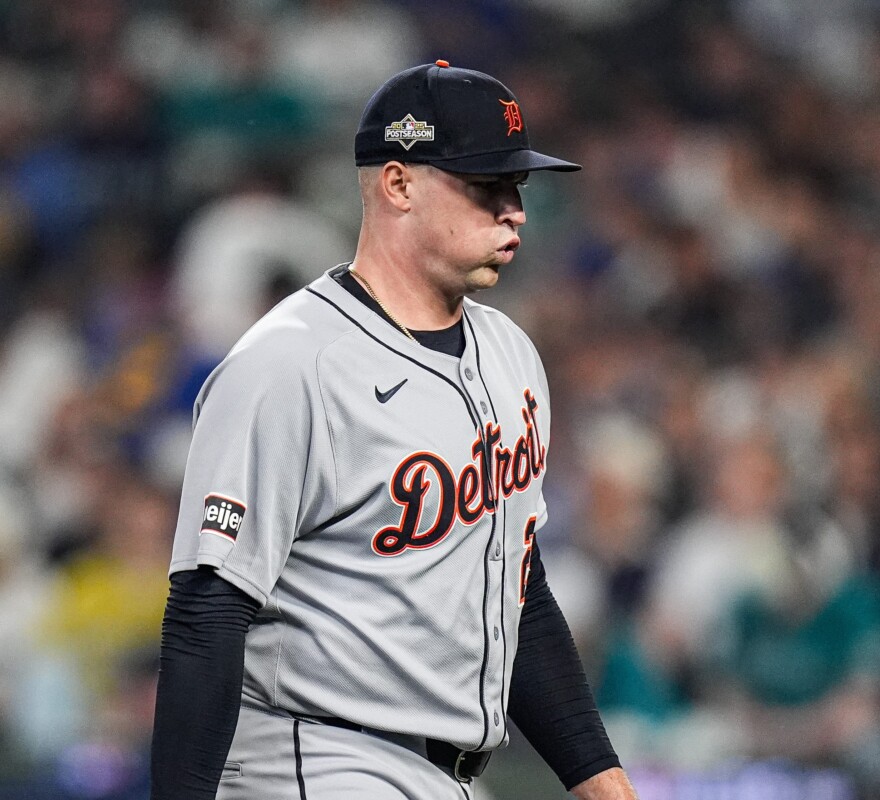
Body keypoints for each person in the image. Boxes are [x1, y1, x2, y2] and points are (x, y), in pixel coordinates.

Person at [150, 61, 638, 800]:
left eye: (517, 187)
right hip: (315, 760)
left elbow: (517, 589)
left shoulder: (510, 353)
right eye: (485, 186)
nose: (515, 211)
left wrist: (600, 781)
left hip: (451, 776)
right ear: (398, 185)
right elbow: (207, 612)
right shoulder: (290, 364)